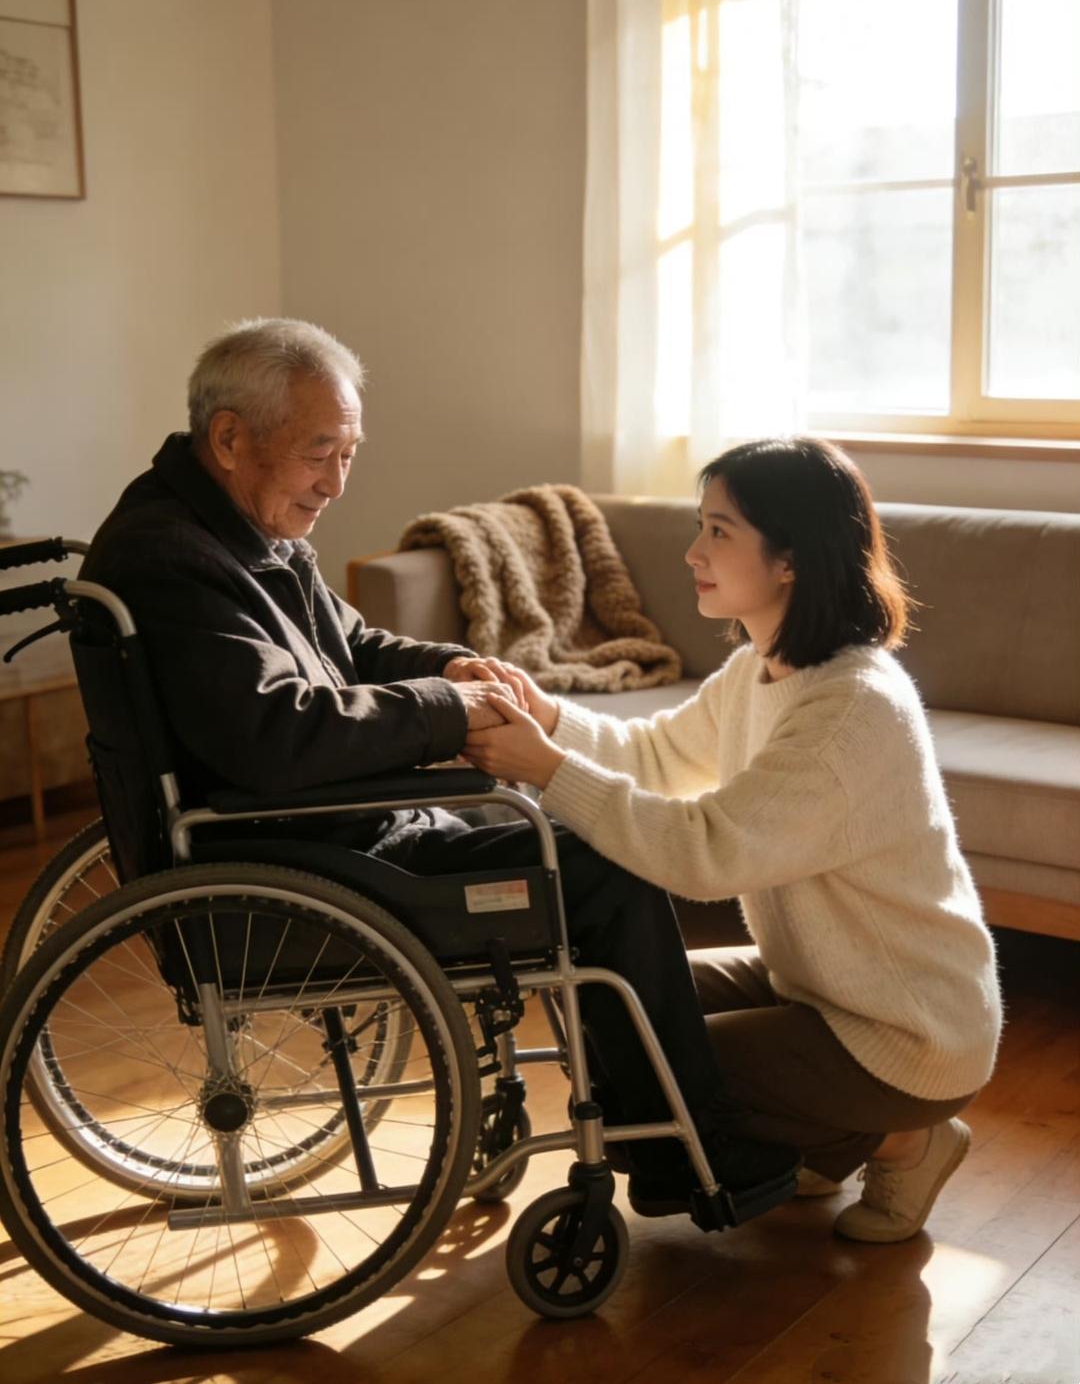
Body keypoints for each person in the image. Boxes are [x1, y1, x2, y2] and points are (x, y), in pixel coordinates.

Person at [80, 316, 800, 1219]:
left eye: (349, 452)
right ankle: (689, 1147)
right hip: (298, 862)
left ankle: (649, 1120)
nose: (337, 482)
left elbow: (353, 648)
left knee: (560, 833)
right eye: (320, 453)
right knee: (605, 867)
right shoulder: (174, 559)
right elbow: (274, 733)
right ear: (229, 437)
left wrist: (447, 666)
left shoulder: (233, 530)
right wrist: (446, 713)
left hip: (327, 831)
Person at [463, 436, 1003, 1243]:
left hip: (906, 1032)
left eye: (719, 531)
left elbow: (706, 852)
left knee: (661, 1072)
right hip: (821, 986)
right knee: (614, 1001)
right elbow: (655, 756)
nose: (693, 552)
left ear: (789, 559)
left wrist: (547, 770)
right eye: (701, 526)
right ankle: (825, 1130)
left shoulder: (850, 711)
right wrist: (547, 717)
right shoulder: (765, 669)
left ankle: (903, 1139)